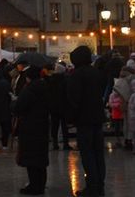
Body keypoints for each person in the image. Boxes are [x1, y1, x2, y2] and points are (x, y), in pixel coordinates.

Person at [66, 45, 106, 197]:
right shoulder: (97, 73)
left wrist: (71, 118)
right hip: (97, 117)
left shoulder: (77, 75)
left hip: (84, 119)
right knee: (98, 154)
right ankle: (99, 186)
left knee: (87, 154)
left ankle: (92, 186)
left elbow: (73, 99)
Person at [15, 65, 50, 195]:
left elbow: (19, 107)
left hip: (29, 126)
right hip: (42, 125)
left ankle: (34, 185)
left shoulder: (29, 90)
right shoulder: (45, 87)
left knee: (31, 157)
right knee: (40, 157)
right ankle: (41, 184)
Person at [45, 63, 71, 150]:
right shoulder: (65, 80)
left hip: (53, 106)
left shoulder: (50, 80)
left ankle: (55, 143)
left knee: (54, 125)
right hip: (63, 106)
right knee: (64, 126)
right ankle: (66, 143)